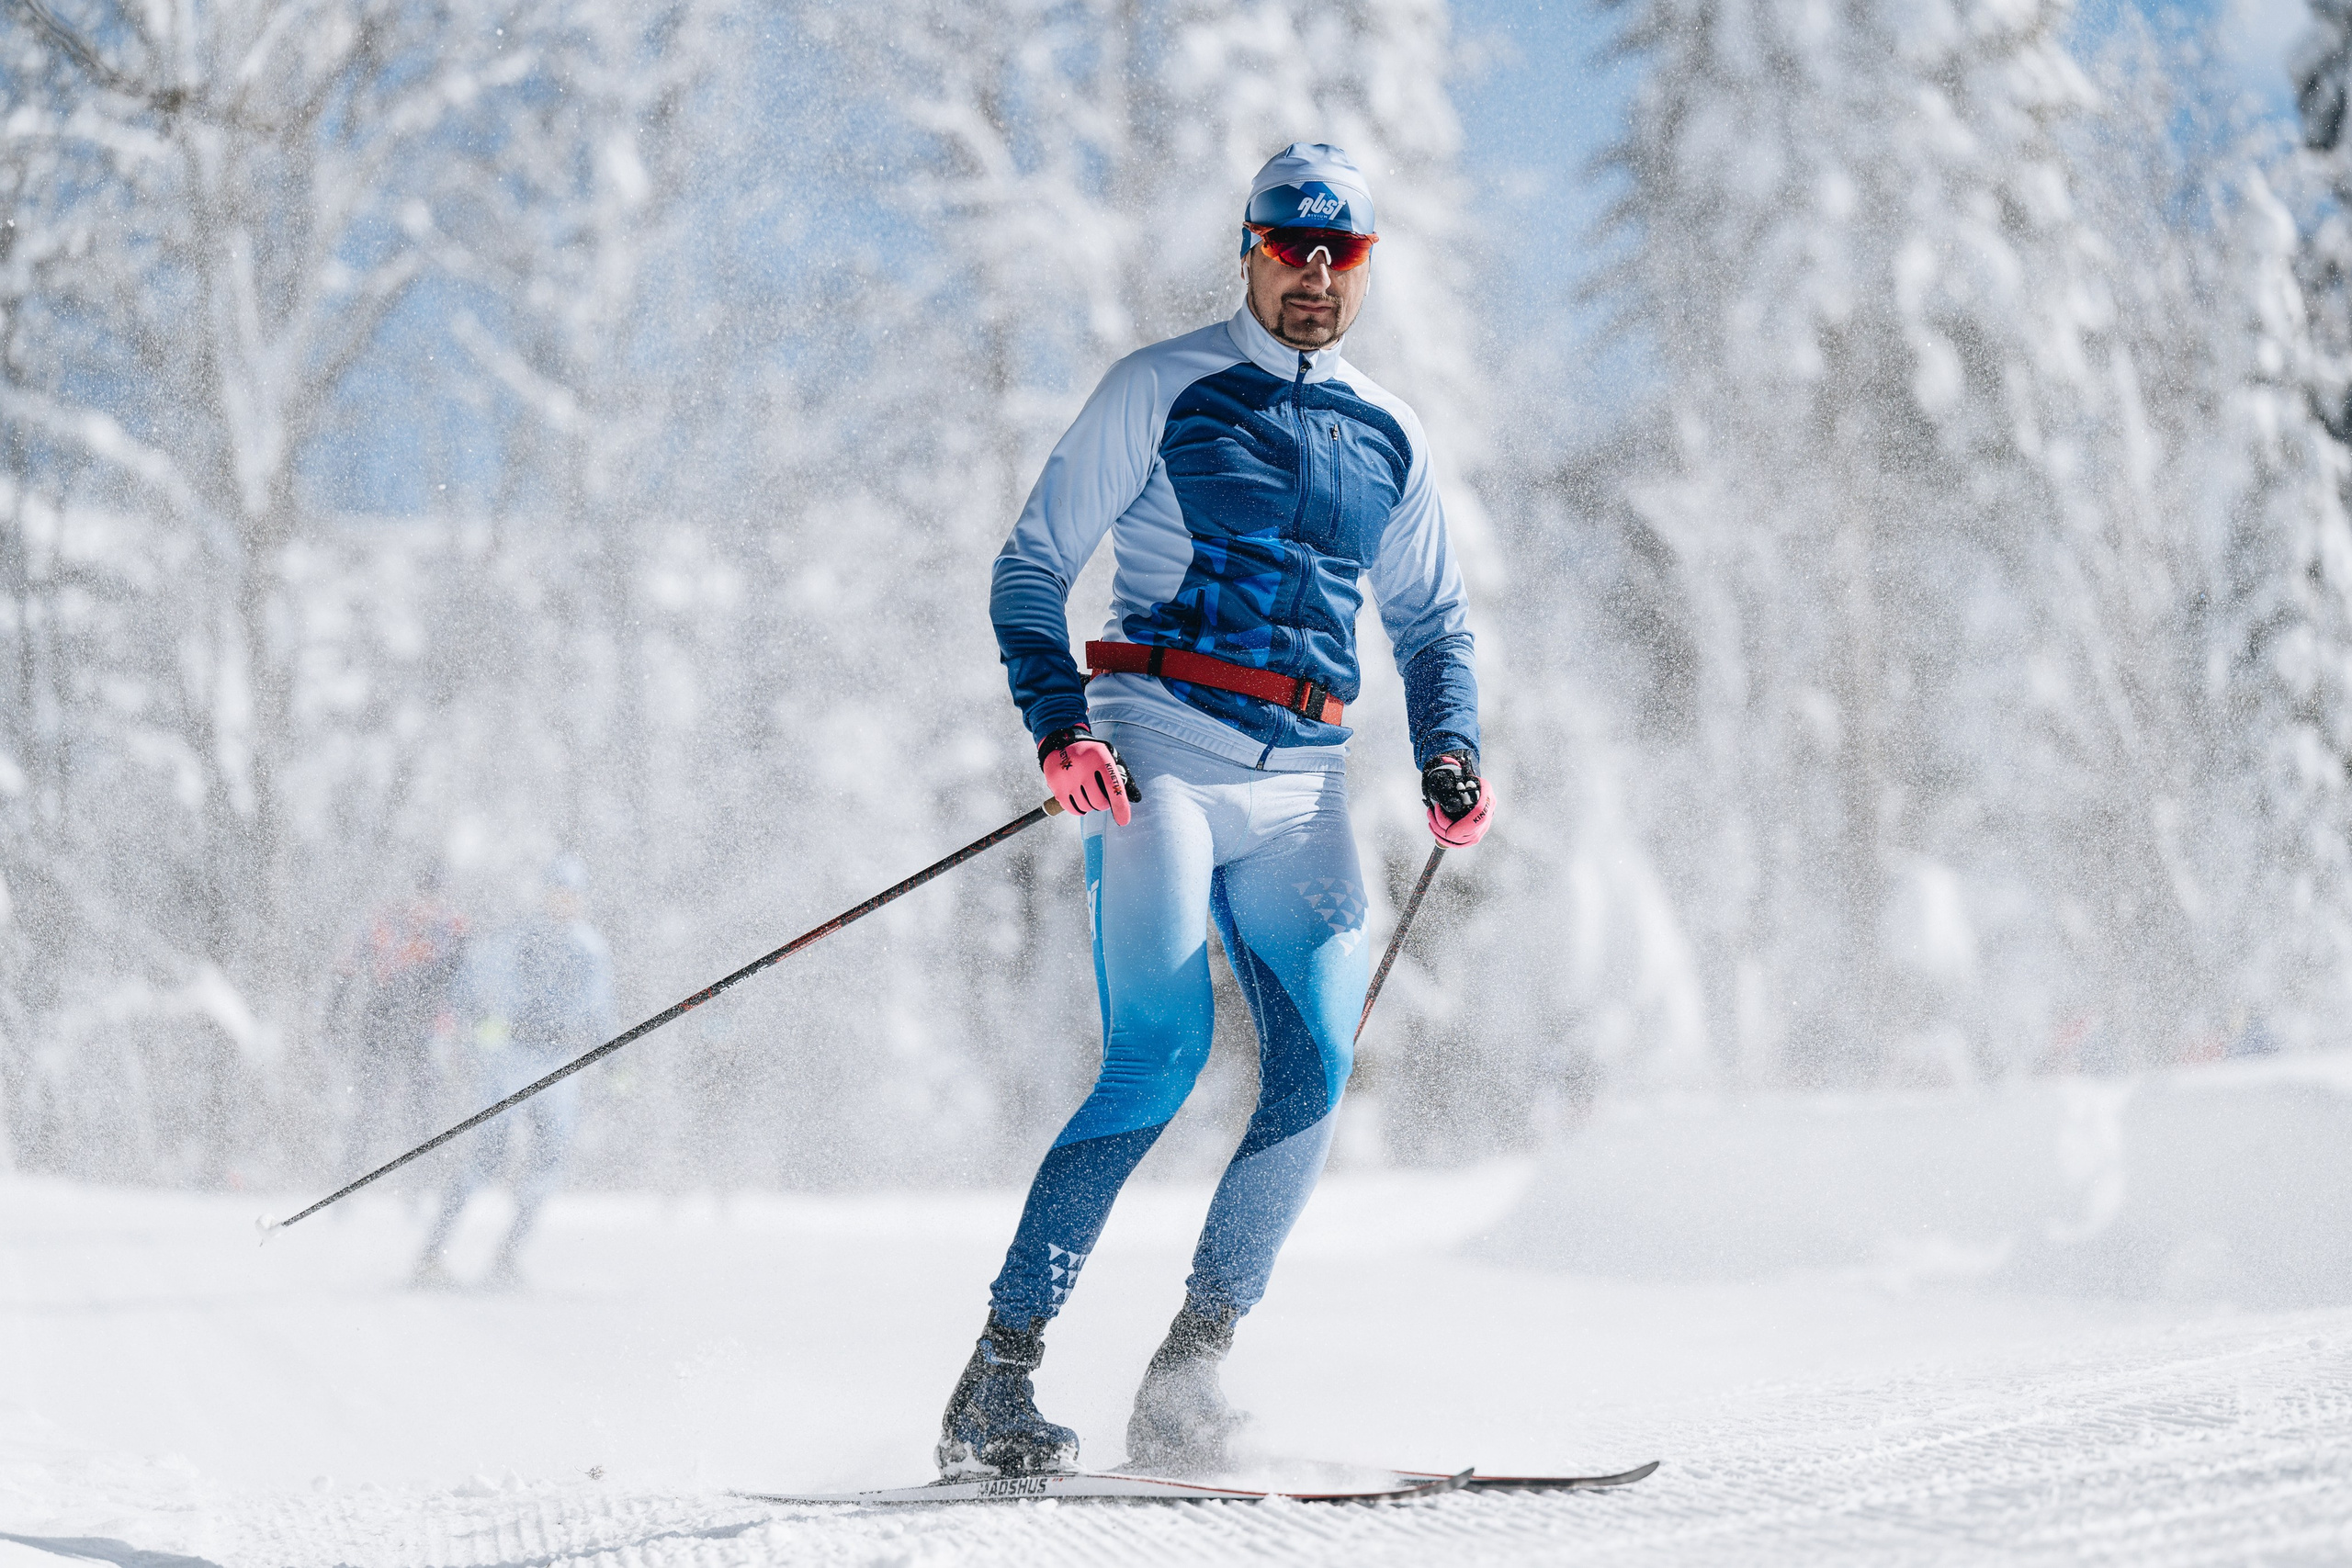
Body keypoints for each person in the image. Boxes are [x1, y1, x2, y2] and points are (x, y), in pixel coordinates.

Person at [939, 142, 1494, 1479]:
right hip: (1159, 752)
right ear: (1247, 247)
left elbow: (1432, 623)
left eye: (1338, 252)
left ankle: (1191, 1369)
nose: (1312, 273)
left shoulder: (1390, 432)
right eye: (1289, 245)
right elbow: (1031, 565)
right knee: (1161, 1054)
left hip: (1306, 781)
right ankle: (996, 1379)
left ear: (1363, 266)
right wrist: (1060, 725)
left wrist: (1450, 751)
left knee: (1315, 1073)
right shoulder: (1162, 386)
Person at [413, 854, 617, 1291]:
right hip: (511, 1060)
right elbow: (468, 989)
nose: (564, 903)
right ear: (545, 895)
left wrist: (615, 1065)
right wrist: (474, 1029)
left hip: (561, 1065)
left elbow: (603, 1013)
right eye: (557, 893)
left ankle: (507, 1258)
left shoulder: (591, 949)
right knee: (486, 1159)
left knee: (548, 1163)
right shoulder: (515, 940)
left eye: (571, 895)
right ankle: (432, 1254)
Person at [329, 863, 469, 1174]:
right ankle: (350, 1178)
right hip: (382, 1022)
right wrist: (335, 1011)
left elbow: (463, 978)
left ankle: (418, 1184)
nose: (427, 904)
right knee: (368, 1107)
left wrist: (458, 1023)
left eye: (434, 895)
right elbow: (348, 962)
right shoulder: (387, 921)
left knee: (422, 1110)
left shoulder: (453, 929)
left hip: (426, 1028)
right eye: (423, 893)